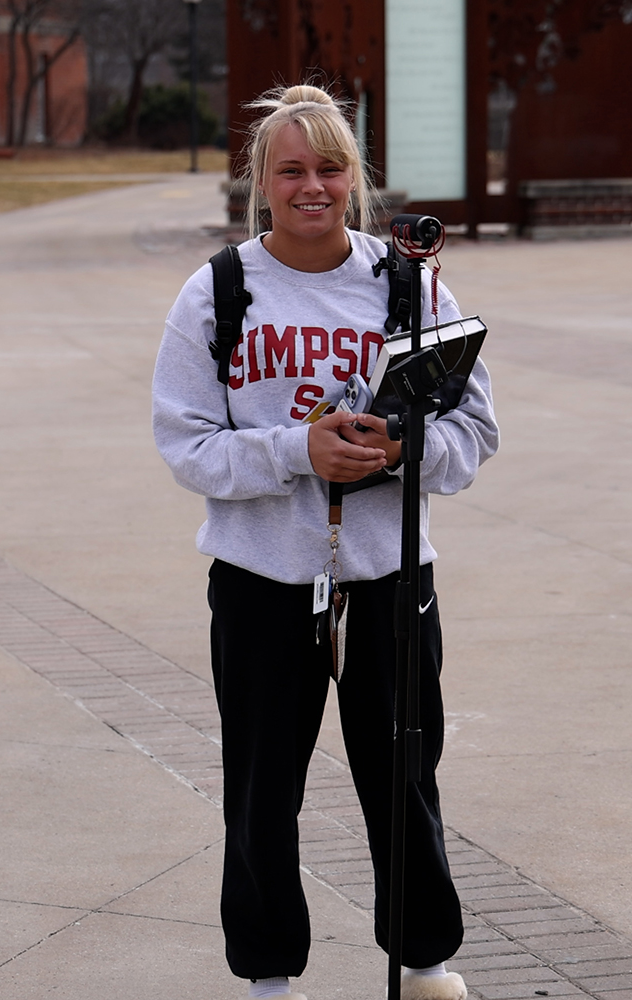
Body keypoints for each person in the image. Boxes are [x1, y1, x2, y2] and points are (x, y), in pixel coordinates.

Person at [152, 83, 499, 1000]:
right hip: (265, 577)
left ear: (356, 178)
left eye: (330, 168)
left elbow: (475, 433)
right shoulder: (218, 289)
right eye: (291, 169)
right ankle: (270, 979)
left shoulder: (409, 282)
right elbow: (184, 443)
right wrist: (293, 450)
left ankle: (424, 963)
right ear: (258, 182)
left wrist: (402, 449)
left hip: (390, 576)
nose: (313, 186)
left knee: (403, 777)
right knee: (262, 788)